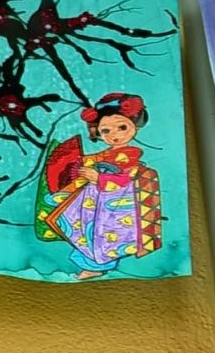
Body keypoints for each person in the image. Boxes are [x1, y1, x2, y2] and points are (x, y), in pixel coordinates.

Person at [40, 92, 162, 280]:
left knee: (105, 232)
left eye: (122, 127)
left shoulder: (131, 154)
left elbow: (124, 177)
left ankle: (98, 266)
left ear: (135, 126)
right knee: (83, 226)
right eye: (106, 131)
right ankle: (89, 262)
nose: (114, 135)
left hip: (116, 201)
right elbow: (93, 160)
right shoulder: (106, 154)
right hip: (95, 199)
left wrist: (99, 178)